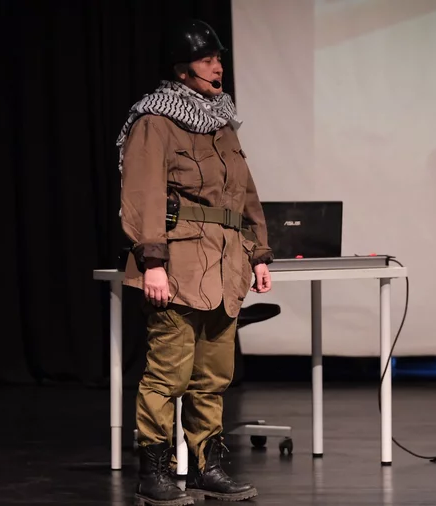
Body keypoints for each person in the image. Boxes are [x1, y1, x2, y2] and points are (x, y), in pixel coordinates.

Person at [116, 18, 272, 506]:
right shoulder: (155, 121)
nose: (218, 67)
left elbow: (244, 194)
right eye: (207, 60)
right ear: (182, 69)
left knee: (213, 378)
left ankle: (208, 468)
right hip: (179, 265)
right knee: (168, 375)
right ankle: (154, 472)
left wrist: (259, 254)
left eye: (219, 58)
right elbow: (142, 194)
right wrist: (152, 261)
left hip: (226, 267)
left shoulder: (222, 124)